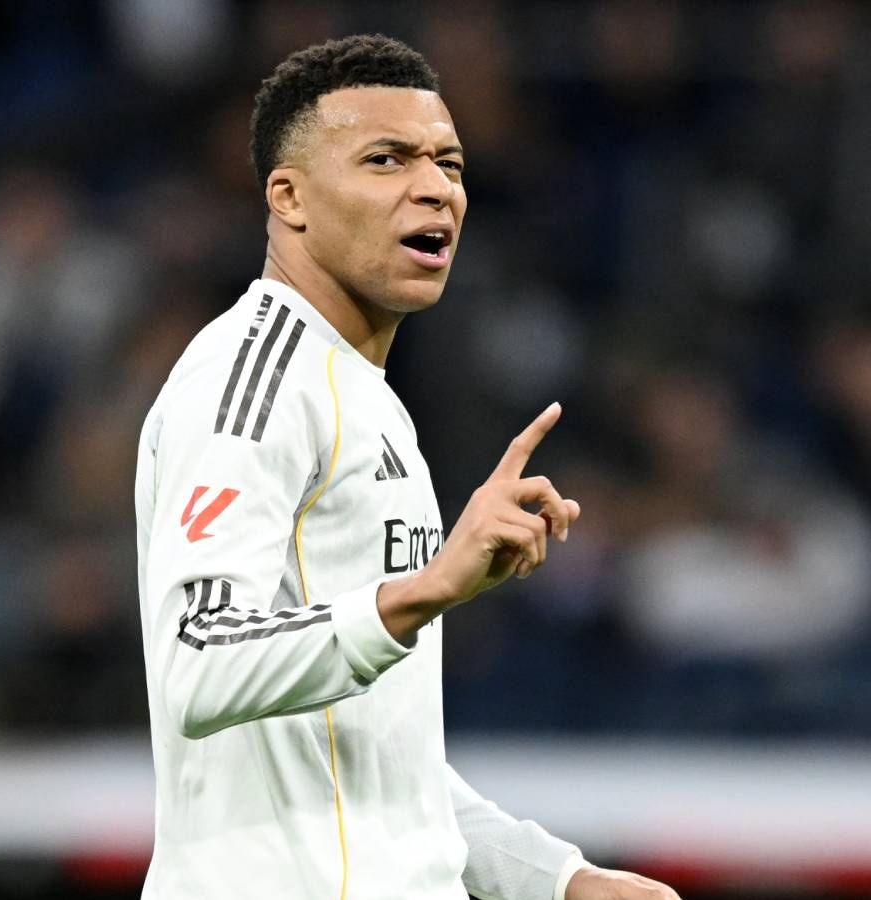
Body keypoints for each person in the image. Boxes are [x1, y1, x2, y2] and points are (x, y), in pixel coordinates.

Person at [133, 34, 679, 900]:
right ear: (289, 197)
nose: (435, 188)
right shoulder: (253, 382)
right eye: (386, 160)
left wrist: (558, 879)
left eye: (448, 163)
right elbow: (197, 667)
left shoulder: (364, 396)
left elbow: (376, 761)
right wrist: (423, 591)